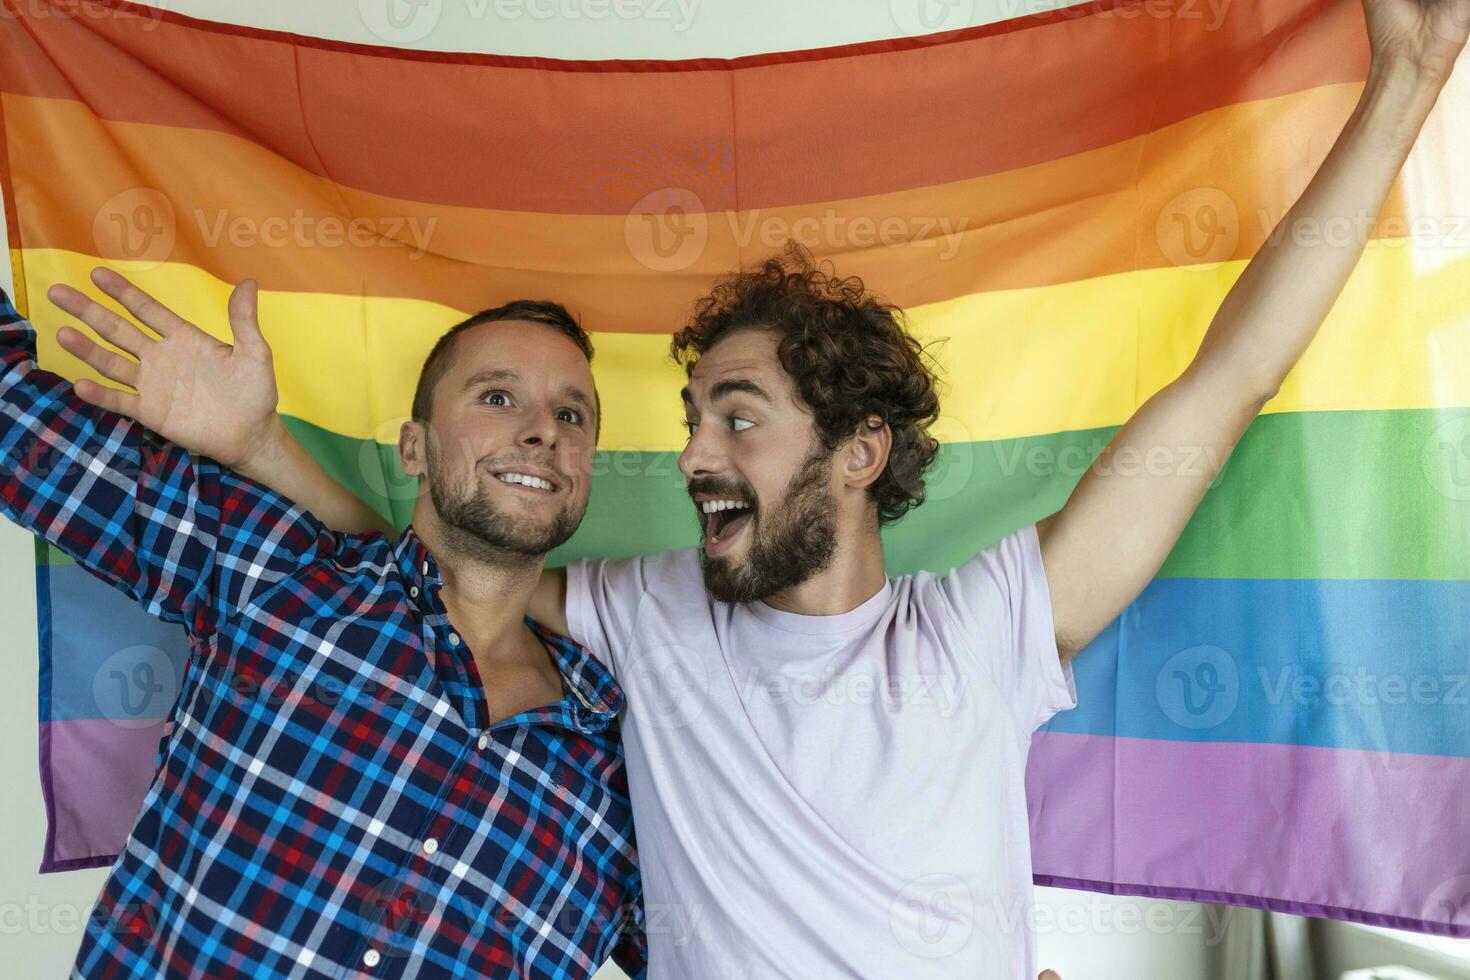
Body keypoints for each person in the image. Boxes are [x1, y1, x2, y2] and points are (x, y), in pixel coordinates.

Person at [48, 1, 1468, 974]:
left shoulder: (982, 630)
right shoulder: (639, 628)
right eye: (683, 418)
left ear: (858, 452)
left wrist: (1403, 87)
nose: (693, 459)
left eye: (736, 417)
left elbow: (1220, 389)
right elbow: (441, 563)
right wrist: (252, 444)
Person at [1, 277, 647, 978]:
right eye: (498, 398)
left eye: (572, 416)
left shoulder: (626, 768)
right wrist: (255, 442)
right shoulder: (277, 573)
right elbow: (14, 423)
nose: (543, 431)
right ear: (414, 449)